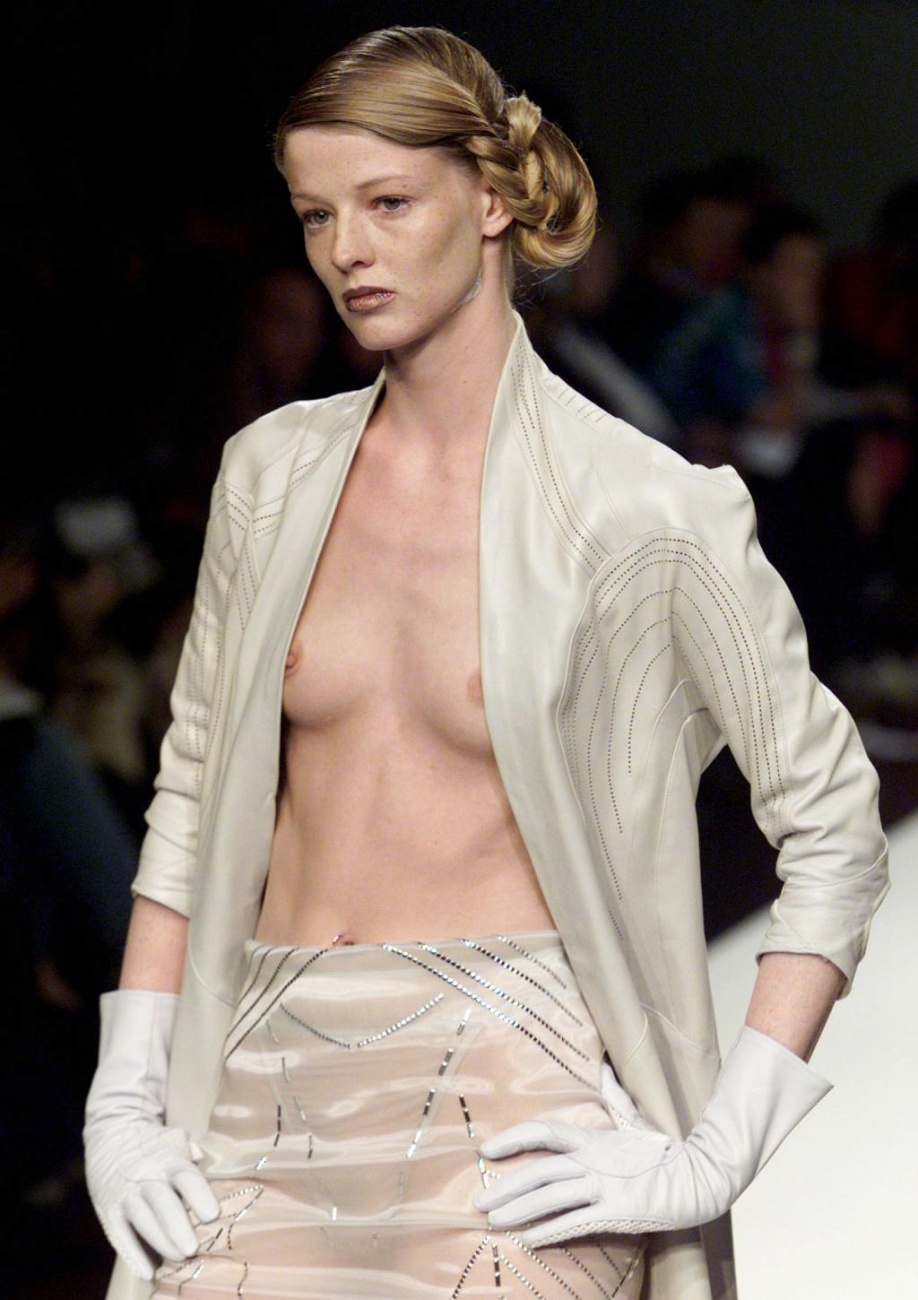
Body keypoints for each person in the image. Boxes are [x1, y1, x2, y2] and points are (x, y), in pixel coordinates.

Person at [82, 26, 888, 1300]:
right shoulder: (269, 475)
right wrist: (124, 1093)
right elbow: (193, 793)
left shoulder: (644, 507)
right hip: (258, 1078)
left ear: (495, 198)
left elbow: (835, 821)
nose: (347, 251)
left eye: (388, 203)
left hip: (517, 1097)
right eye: (316, 215)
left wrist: (721, 1144)